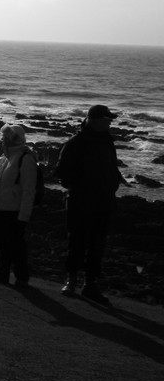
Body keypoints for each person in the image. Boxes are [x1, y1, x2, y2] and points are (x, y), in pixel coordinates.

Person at [55, 104, 125, 304]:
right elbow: (62, 173)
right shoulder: (76, 143)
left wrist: (114, 180)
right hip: (80, 201)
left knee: (97, 244)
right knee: (77, 241)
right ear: (93, 121)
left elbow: (111, 166)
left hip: (103, 201)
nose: (109, 123)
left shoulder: (107, 142)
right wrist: (84, 185)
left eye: (109, 120)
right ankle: (71, 280)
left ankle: (90, 283)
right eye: (106, 120)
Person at [0, 124, 37, 288]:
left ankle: (22, 278)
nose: (2, 140)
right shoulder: (3, 158)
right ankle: (1, 273)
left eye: (5, 137)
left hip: (14, 210)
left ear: (14, 139)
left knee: (17, 246)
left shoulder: (26, 159)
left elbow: (28, 190)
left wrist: (23, 217)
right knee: (2, 244)